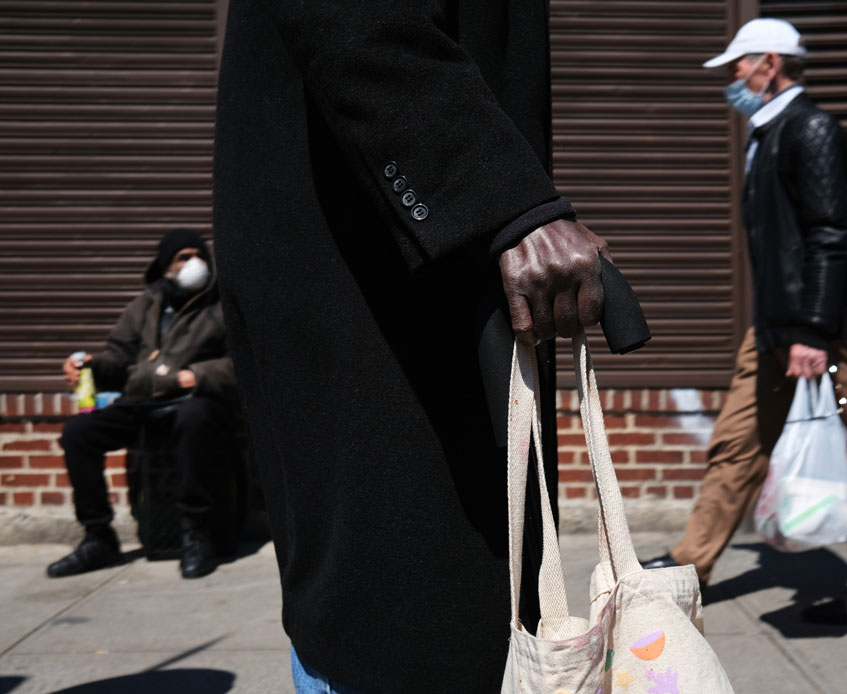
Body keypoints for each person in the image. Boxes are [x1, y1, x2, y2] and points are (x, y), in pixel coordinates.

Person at [213, 2, 610, 693]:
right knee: (403, 627)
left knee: (456, 611)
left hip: (422, 288)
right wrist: (504, 202)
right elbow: (349, 19)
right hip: (370, 286)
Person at [640, 18, 847, 625]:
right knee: (735, 445)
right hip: (773, 326)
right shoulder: (768, 131)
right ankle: (690, 564)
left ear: (769, 63)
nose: (732, 78)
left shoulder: (809, 128)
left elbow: (830, 236)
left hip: (813, 331)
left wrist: (813, 332)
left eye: (738, 65)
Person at [48, 228, 237, 581]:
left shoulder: (220, 306)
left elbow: (243, 363)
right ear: (166, 266)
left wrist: (198, 374)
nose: (194, 263)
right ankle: (98, 537)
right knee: (78, 432)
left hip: (194, 400)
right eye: (183, 257)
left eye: (199, 255)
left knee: (196, 418)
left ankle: (196, 531)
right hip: (141, 401)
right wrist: (87, 364)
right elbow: (119, 358)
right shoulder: (145, 305)